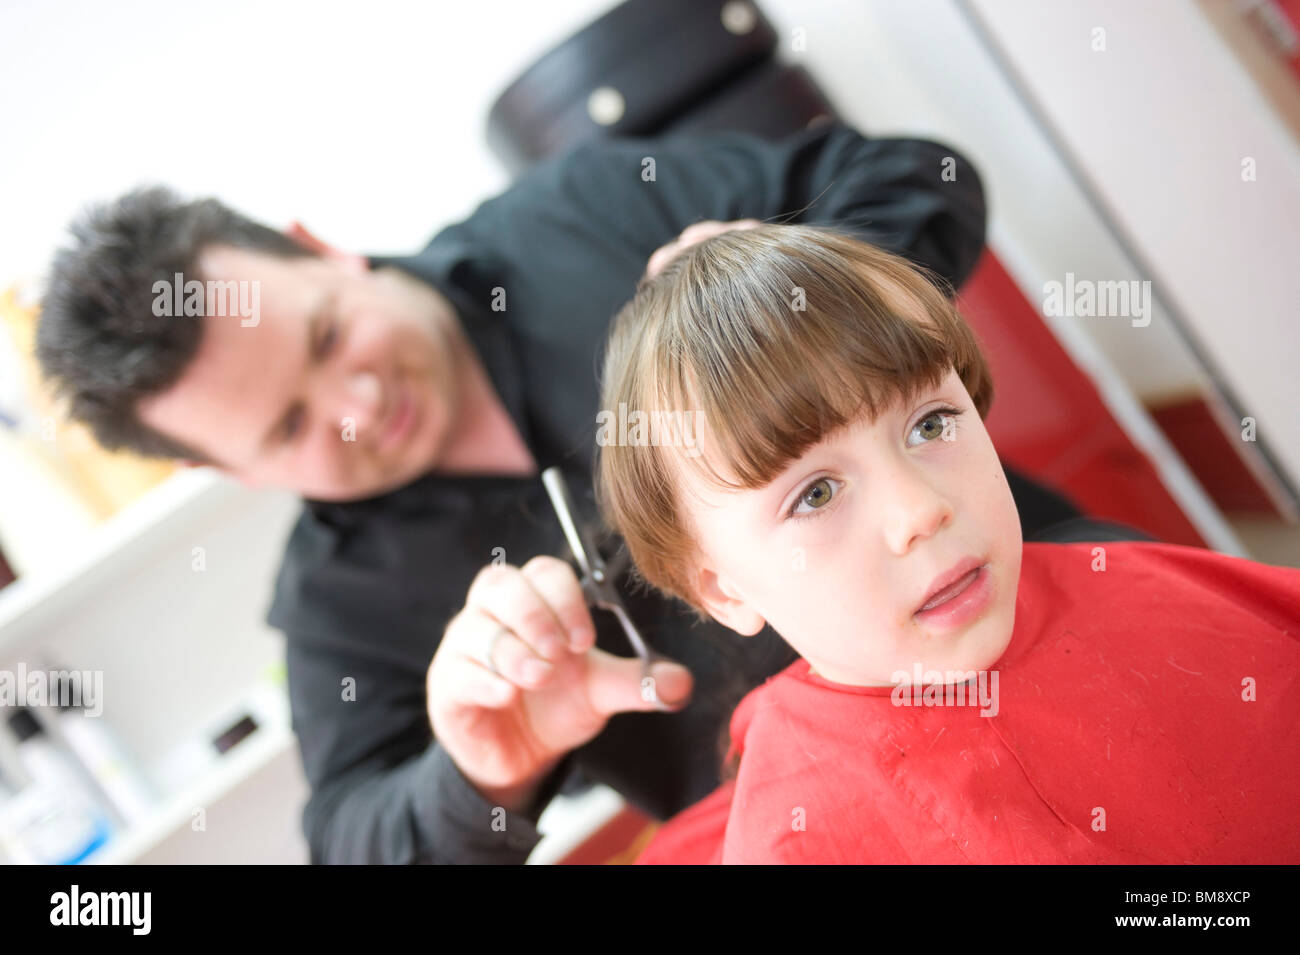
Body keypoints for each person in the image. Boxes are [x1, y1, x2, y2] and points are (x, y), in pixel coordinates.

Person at [37, 121, 1083, 864]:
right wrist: (479, 768)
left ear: (321, 250)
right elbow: (355, 841)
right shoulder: (342, 606)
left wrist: (809, 292)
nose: (357, 403)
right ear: (230, 473)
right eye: (289, 427)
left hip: (1061, 631)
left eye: (324, 337)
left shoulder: (578, 213)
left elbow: (919, 173)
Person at [595, 224, 1300, 864]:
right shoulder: (799, 842)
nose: (921, 510)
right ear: (725, 587)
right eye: (815, 494)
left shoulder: (1135, 579)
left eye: (930, 425)